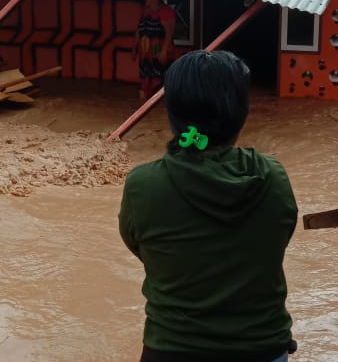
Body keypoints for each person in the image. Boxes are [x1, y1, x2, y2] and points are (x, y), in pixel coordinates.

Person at [119, 50, 298, 362]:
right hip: (262, 350)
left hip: (172, 350)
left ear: (172, 112)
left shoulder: (142, 185)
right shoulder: (272, 177)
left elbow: (140, 247)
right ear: (241, 112)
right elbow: (278, 236)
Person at [132, 0, 176, 100]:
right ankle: (145, 115)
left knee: (159, 85)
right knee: (144, 83)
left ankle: (158, 114)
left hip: (159, 54)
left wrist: (163, 51)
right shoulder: (144, 11)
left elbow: (169, 33)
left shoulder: (166, 11)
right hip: (145, 55)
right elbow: (139, 30)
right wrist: (134, 48)